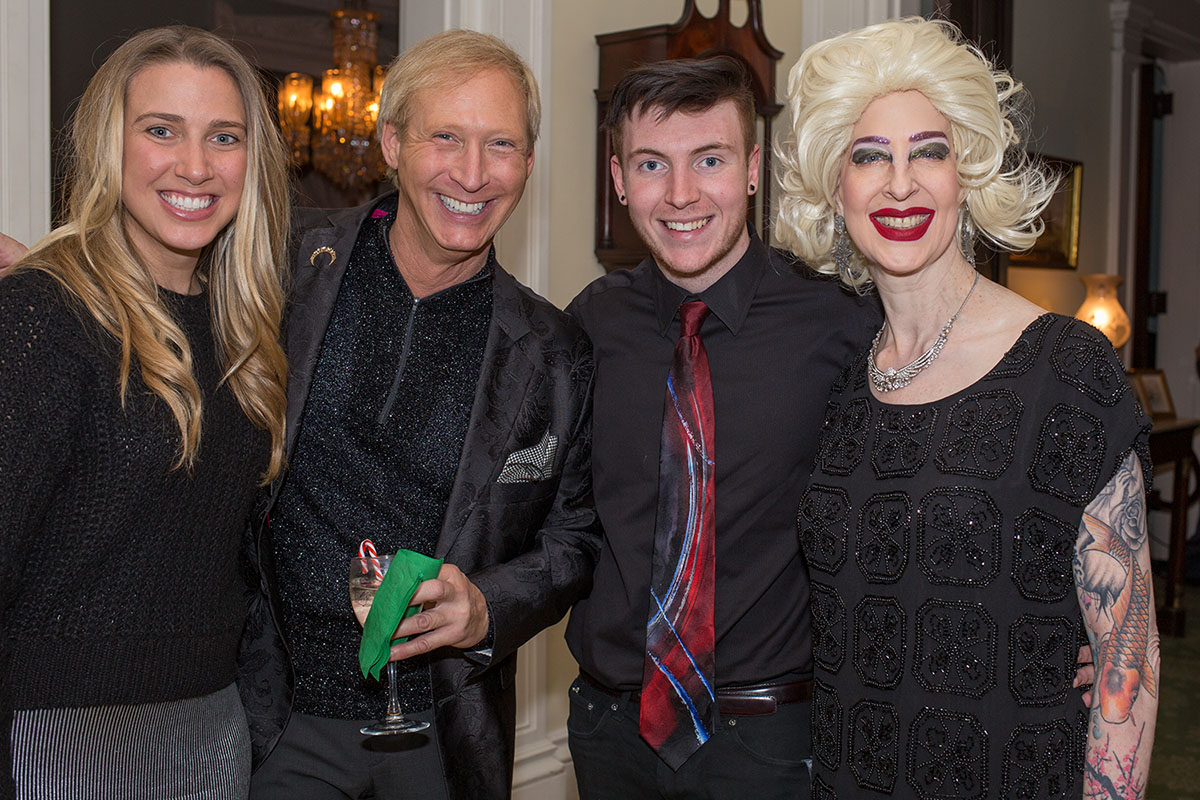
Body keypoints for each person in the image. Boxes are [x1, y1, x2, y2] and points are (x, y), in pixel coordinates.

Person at [776, 17, 1158, 799]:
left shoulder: (1066, 369)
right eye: (869, 156)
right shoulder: (848, 386)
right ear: (836, 189)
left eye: (930, 152)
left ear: (968, 176)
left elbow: (1129, 662)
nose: (900, 183)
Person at [239, 30, 600, 800]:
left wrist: (487, 607)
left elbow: (573, 543)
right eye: (446, 137)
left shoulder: (553, 350)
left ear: (528, 162)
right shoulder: (284, 265)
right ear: (391, 144)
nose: (473, 173)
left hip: (442, 737)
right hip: (277, 722)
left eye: (501, 144)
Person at [564, 57, 881, 799]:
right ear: (618, 179)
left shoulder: (841, 321)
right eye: (651, 164)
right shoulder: (587, 325)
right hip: (611, 731)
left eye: (709, 159)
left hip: (771, 737)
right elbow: (551, 514)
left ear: (752, 170)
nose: (681, 194)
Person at [0, 25, 289, 798]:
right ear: (109, 145)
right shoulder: (43, 316)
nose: (194, 165)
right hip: (66, 738)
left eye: (223, 137)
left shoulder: (245, 331)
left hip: (217, 727)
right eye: (161, 130)